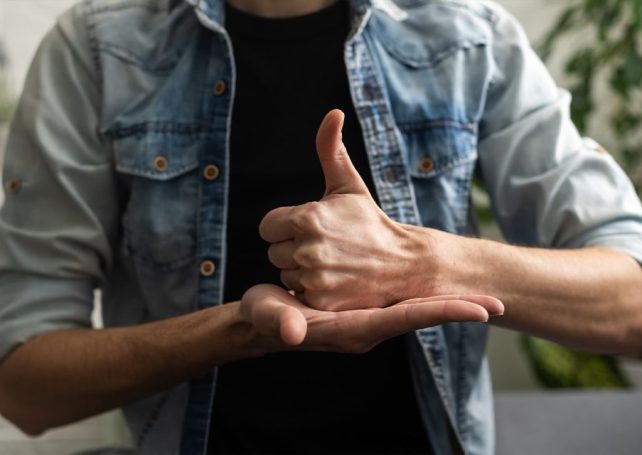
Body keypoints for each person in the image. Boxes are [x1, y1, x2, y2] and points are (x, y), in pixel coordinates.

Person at [0, 0, 641, 454]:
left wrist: (420, 264)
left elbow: (631, 305)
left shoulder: (470, 37)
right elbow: (25, 387)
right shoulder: (97, 51)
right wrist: (235, 331)